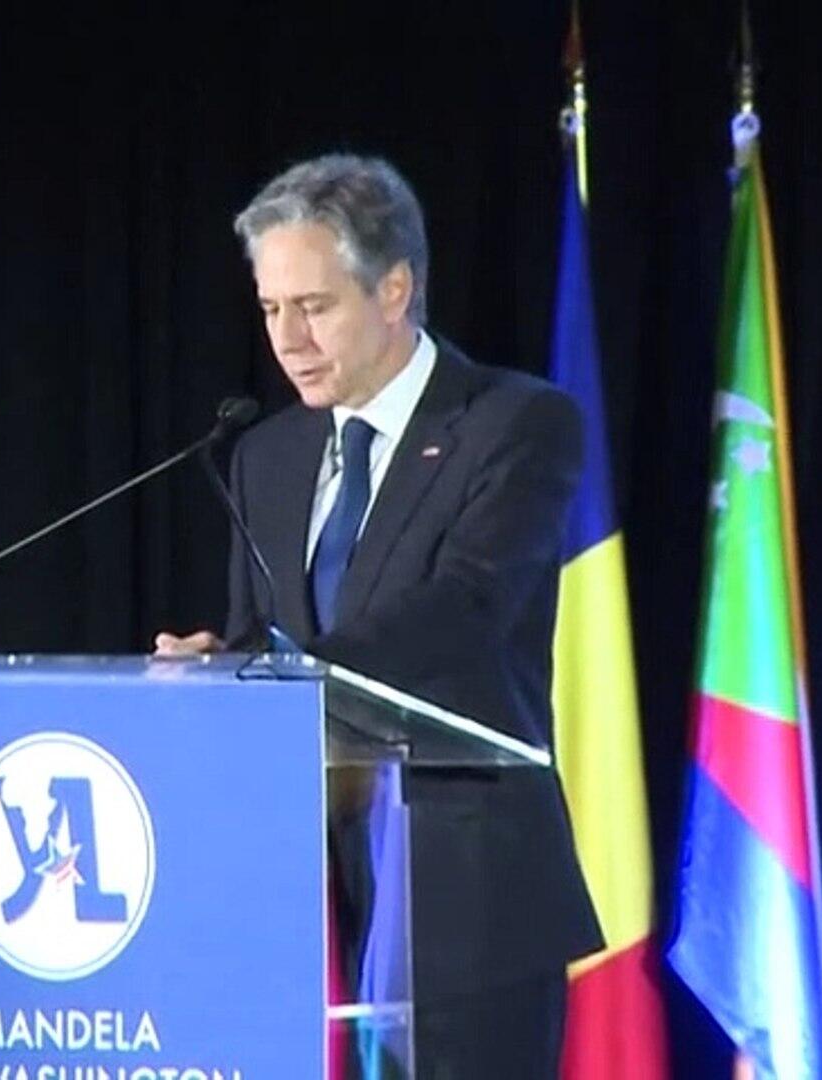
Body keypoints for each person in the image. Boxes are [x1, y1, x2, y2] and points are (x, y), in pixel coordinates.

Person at [155, 154, 603, 1079]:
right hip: (303, 897)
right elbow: (265, 630)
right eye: (271, 309)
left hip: (463, 900)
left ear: (394, 289)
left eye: (313, 307)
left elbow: (466, 608)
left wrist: (287, 670)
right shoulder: (267, 456)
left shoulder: (517, 424)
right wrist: (222, 666)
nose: (287, 340)